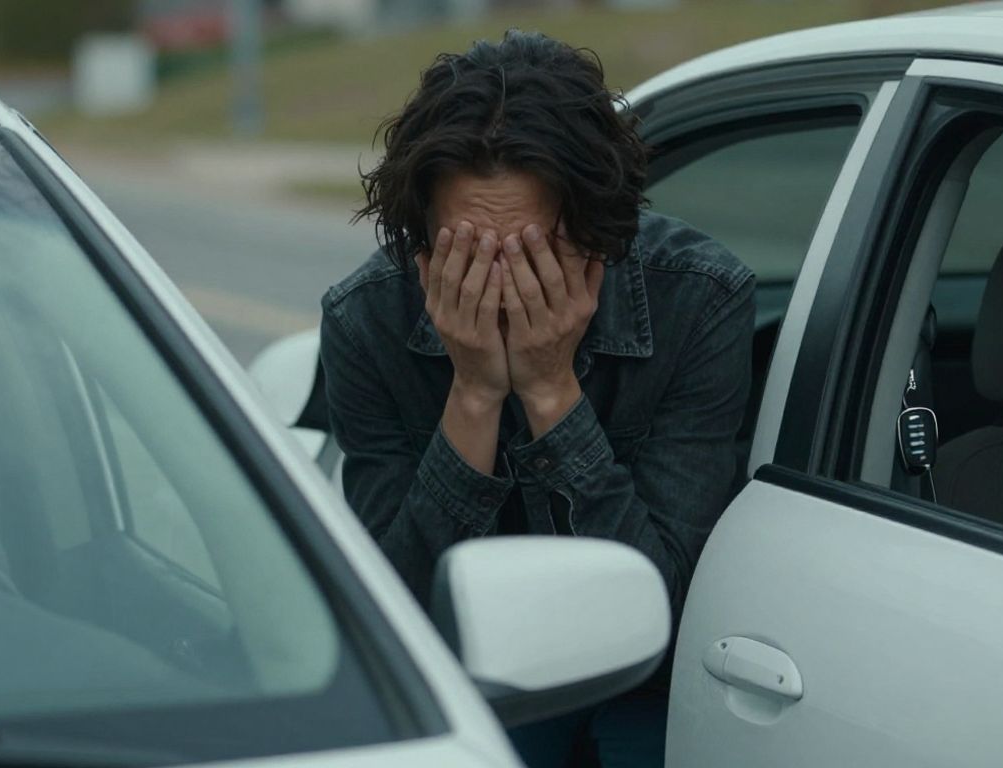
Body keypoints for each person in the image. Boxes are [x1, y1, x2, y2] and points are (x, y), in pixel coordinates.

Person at [319, 29, 755, 768]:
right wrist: (476, 391)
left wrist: (552, 386)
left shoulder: (701, 301)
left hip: (650, 689)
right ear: (421, 244)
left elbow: (663, 604)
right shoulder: (366, 320)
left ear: (597, 237)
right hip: (472, 683)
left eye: (531, 254)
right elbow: (398, 621)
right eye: (467, 252)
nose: (501, 283)